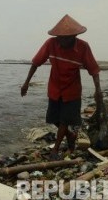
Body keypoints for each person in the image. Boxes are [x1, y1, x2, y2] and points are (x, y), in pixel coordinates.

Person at [21, 14, 103, 160]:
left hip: (72, 90)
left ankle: (56, 149)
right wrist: (26, 83)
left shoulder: (83, 47)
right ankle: (70, 136)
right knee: (53, 118)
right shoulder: (51, 43)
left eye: (66, 37)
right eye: (60, 37)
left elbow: (94, 70)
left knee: (65, 119)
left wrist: (98, 90)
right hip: (55, 88)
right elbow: (36, 63)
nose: (62, 40)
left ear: (74, 36)